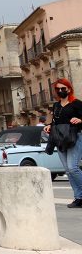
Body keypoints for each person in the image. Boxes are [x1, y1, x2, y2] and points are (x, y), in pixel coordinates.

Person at [45, 78, 82, 208]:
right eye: (58, 89)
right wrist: (49, 126)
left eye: (63, 88)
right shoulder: (56, 106)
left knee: (73, 168)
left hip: (74, 137)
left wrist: (80, 119)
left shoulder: (76, 104)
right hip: (60, 138)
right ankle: (78, 197)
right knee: (68, 170)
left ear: (69, 89)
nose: (60, 91)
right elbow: (56, 121)